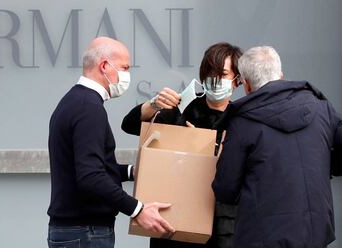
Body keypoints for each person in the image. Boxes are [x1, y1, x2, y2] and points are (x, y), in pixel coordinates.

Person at [47, 36, 175, 248]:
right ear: (104, 66)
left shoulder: (73, 102)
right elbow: (91, 176)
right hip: (85, 232)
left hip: (74, 231)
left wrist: (131, 172)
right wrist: (138, 209)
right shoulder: (89, 108)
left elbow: (88, 166)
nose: (127, 75)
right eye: (125, 68)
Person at [212, 46, 342, 248]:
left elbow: (225, 190)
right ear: (281, 75)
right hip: (315, 233)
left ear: (246, 85)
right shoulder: (321, 108)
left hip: (261, 237)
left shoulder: (242, 122)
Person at [122, 42, 243, 248]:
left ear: (237, 81)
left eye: (222, 74)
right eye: (209, 72)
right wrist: (153, 104)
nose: (215, 79)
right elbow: (130, 125)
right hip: (175, 219)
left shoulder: (242, 119)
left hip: (222, 224)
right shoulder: (183, 106)